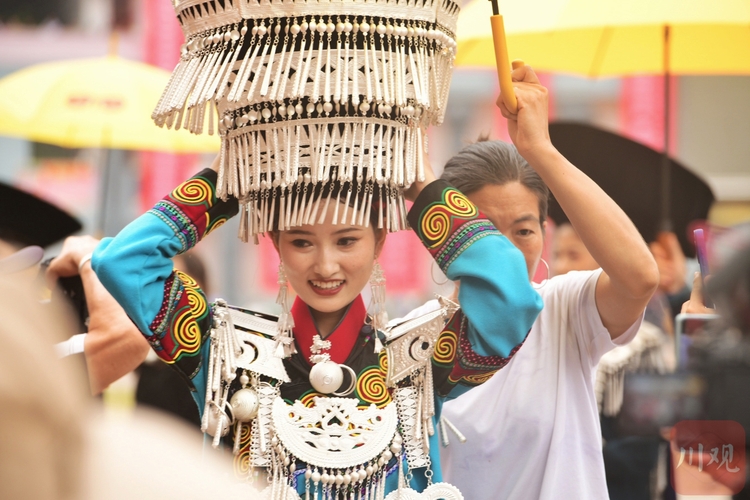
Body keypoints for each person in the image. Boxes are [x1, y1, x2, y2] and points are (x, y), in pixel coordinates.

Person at [92, 151, 543, 496]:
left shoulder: (418, 361)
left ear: (379, 240)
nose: (326, 265)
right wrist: (222, 184)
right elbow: (122, 260)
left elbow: (512, 297)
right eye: (302, 241)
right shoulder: (226, 356)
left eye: (347, 240)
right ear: (276, 242)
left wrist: (425, 190)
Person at [439, 64, 660, 500]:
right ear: (445, 237)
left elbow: (639, 279)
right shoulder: (415, 341)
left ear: (545, 232)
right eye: (484, 231)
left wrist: (540, 149)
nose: (504, 252)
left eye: (523, 230)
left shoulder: (563, 311)